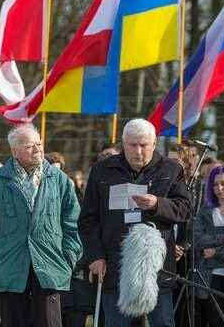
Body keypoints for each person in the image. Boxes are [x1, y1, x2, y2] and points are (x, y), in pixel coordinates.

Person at [79, 118, 191, 327]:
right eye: (132, 145)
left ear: (154, 144)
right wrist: (94, 256)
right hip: (114, 264)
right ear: (123, 143)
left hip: (157, 268)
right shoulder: (102, 170)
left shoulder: (171, 169)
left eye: (144, 145)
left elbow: (184, 209)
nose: (138, 151)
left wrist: (157, 204)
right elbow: (88, 220)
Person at [0, 124, 83, 327]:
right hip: (9, 269)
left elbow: (73, 224)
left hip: (50, 267)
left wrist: (68, 259)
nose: (38, 149)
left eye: (39, 144)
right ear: (15, 151)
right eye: (30, 146)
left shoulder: (60, 181)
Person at [193, 165, 224, 327]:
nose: (219, 188)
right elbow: (198, 239)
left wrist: (215, 252)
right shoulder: (205, 211)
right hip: (209, 276)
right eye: (215, 184)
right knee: (215, 321)